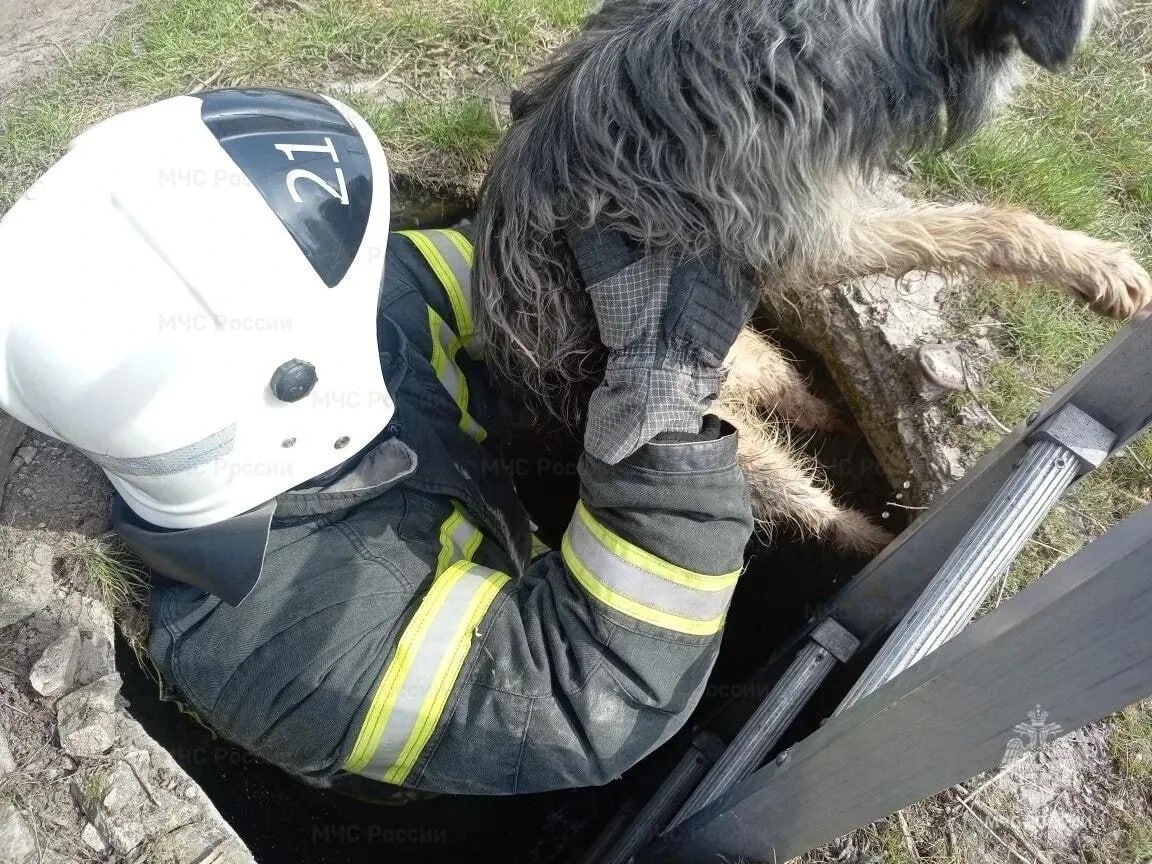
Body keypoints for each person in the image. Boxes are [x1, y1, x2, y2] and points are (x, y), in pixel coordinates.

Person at [0, 88, 755, 795]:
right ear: (291, 383)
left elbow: (490, 283)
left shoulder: (301, 336)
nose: (371, 282)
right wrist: (660, 430)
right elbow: (593, 700)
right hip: (459, 783)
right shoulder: (281, 650)